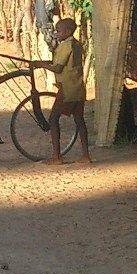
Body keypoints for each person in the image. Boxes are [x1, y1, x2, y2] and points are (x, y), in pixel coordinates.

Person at [31, 17, 92, 165]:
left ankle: (57, 157)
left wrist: (41, 64)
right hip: (78, 88)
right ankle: (86, 155)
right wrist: (43, 63)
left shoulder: (66, 45)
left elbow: (58, 68)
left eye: (59, 31)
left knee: (53, 119)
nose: (57, 33)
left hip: (67, 89)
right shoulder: (76, 44)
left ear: (68, 31)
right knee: (79, 120)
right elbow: (62, 64)